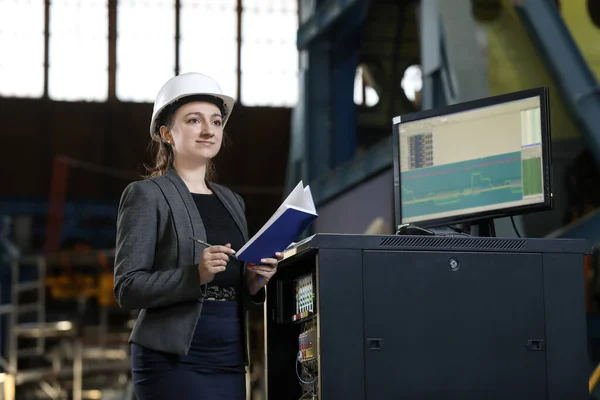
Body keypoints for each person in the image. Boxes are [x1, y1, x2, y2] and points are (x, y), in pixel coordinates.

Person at [113, 72, 282, 400]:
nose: (208, 130)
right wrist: (196, 274)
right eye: (194, 120)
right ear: (167, 134)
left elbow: (235, 284)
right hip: (171, 359)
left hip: (229, 357)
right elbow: (127, 288)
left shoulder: (232, 201)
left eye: (216, 122)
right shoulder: (146, 196)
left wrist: (256, 281)